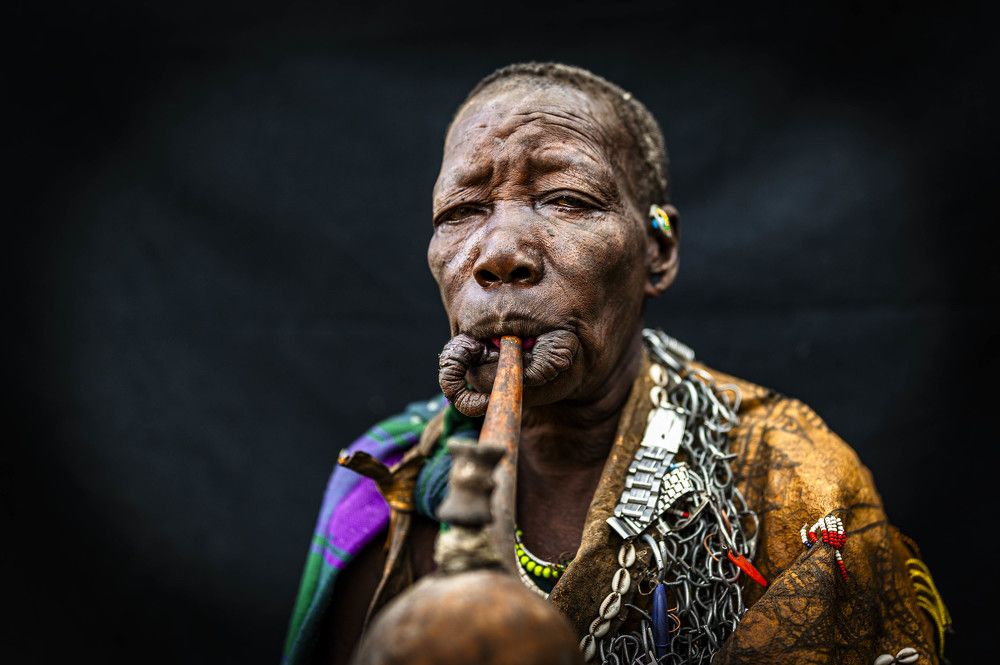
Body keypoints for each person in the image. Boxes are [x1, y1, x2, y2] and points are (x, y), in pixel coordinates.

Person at [282, 62, 950, 665]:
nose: (500, 252)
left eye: (567, 199)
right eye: (462, 210)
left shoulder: (791, 477)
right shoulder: (379, 481)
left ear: (657, 252)